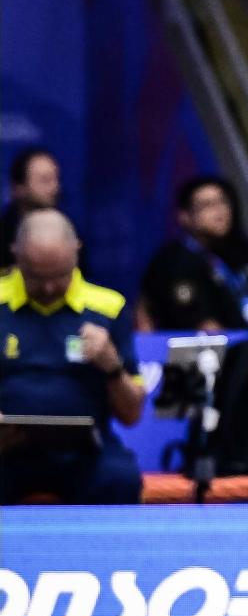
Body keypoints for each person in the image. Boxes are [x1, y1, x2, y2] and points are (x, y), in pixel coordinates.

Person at [0, 211, 145, 505]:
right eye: (36, 277)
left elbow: (132, 414)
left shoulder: (108, 307)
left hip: (84, 455)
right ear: (15, 255)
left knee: (121, 478)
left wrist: (112, 366)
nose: (49, 288)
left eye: (59, 276)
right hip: (5, 452)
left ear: (76, 251)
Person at [137, 178, 248, 333]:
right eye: (207, 205)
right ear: (185, 216)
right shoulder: (169, 261)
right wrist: (148, 353)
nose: (220, 211)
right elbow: (143, 310)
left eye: (223, 202)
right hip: (193, 352)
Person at [1, 148, 62, 271]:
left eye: (55, 179)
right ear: (19, 188)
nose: (54, 188)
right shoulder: (2, 235)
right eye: (45, 180)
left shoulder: (68, 232)